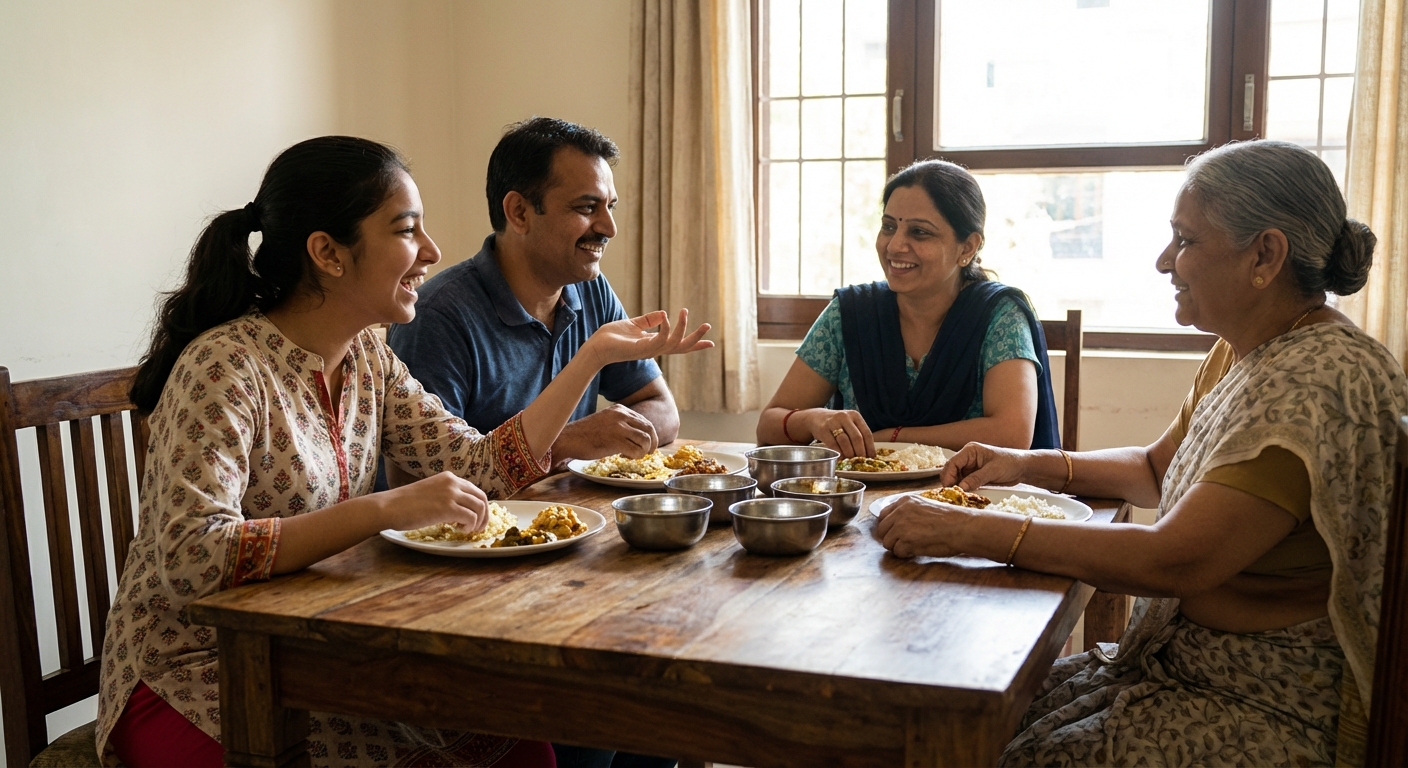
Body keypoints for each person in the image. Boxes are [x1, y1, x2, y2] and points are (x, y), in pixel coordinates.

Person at [97, 136, 710, 768]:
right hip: (194, 669)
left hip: (312, 648)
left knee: (527, 754)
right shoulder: (224, 367)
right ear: (328, 253)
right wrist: (384, 508)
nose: (432, 253)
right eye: (406, 230)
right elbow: (193, 559)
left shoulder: (370, 359)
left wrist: (590, 358)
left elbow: (481, 467)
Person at [876, 140, 1407, 766]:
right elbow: (1157, 470)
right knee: (966, 716)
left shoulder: (1315, 379)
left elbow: (1174, 561)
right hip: (1183, 666)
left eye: (1184, 240)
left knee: (995, 746)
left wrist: (970, 529)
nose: (1164, 261)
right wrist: (1027, 464)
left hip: (1264, 700)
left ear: (1264, 254)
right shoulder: (1248, 350)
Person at [387, 117, 678, 472]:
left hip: (566, 515)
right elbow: (420, 480)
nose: (609, 228)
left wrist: (605, 436)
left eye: (610, 206)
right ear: (519, 213)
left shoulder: (590, 288)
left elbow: (661, 407)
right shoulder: (438, 317)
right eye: (587, 208)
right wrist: (570, 441)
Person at [755, 159, 1060, 459]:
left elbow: (1012, 433)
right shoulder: (851, 315)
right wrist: (813, 419)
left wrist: (893, 437)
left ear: (967, 247)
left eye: (919, 232)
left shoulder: (998, 316)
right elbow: (768, 428)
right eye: (889, 226)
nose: (894, 245)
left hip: (968, 499)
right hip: (861, 502)